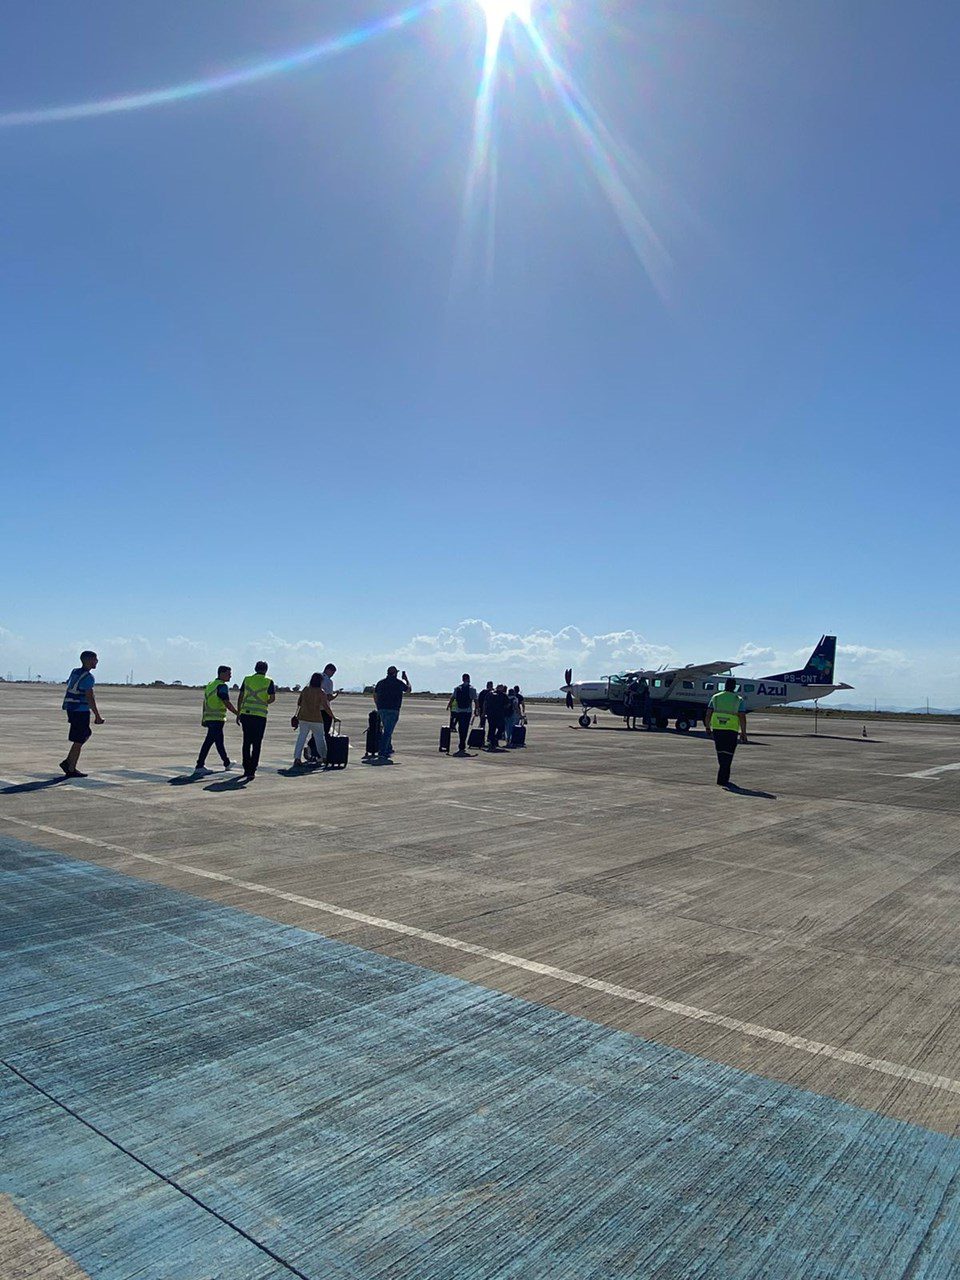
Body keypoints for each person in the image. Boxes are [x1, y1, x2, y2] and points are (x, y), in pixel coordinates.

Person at [60, 650, 104, 778]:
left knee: (84, 734)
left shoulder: (75, 672)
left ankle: (69, 762)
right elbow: (90, 697)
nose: (97, 662)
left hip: (71, 708)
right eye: (95, 659)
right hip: (80, 710)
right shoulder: (88, 677)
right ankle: (70, 766)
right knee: (80, 737)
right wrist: (97, 715)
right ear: (89, 661)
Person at [704, 677, 748, 787]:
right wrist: (743, 732)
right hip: (731, 730)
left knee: (720, 753)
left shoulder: (716, 697)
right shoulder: (738, 700)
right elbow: (742, 717)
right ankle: (723, 778)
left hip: (718, 729)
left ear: (725, 685)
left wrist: (707, 727)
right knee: (728, 754)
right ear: (734, 687)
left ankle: (721, 778)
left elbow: (708, 714)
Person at [237, 661, 276, 780]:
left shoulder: (247, 679)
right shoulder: (269, 681)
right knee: (257, 743)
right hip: (260, 716)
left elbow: (241, 696)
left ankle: (246, 767)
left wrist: (239, 712)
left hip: (246, 714)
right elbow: (272, 698)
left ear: (255, 668)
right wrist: (264, 702)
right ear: (266, 670)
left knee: (246, 742)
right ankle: (252, 769)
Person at [195, 666, 239, 772]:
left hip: (210, 718)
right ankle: (200, 766)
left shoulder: (211, 685)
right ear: (221, 674)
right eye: (228, 674)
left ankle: (226, 763)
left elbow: (205, 702)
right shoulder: (221, 686)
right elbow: (226, 702)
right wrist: (237, 713)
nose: (230, 676)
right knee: (212, 742)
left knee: (216, 742)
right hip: (217, 719)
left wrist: (204, 718)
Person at [293, 673, 333, 768]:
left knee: (301, 738)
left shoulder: (305, 690)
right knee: (320, 738)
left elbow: (299, 702)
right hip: (316, 718)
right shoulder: (321, 692)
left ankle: (297, 758)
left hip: (303, 717)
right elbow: (326, 706)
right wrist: (333, 716)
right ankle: (324, 757)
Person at [373, 666, 411, 762]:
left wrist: (378, 705)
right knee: (388, 731)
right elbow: (408, 689)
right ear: (395, 673)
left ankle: (388, 748)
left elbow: (375, 694)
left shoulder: (381, 683)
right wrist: (406, 680)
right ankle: (382, 752)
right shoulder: (398, 683)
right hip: (393, 709)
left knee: (387, 729)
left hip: (382, 709)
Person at [304, 661, 338, 762]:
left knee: (315, 731)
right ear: (329, 670)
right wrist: (336, 695)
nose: (332, 675)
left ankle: (313, 752)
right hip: (324, 710)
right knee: (323, 733)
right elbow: (328, 697)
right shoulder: (328, 681)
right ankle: (318, 752)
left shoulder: (316, 679)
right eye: (332, 672)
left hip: (313, 710)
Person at [447, 673, 477, 755]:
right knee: (465, 727)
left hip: (459, 711)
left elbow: (452, 698)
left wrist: (449, 706)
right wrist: (477, 709)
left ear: (462, 679)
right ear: (469, 679)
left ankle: (461, 742)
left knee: (460, 727)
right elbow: (475, 700)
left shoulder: (457, 688)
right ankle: (462, 743)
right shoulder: (472, 689)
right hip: (467, 711)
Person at [485, 684, 510, 751]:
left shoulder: (490, 694)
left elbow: (485, 703)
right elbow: (507, 704)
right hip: (499, 715)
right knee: (501, 728)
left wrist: (485, 712)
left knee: (492, 728)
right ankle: (494, 739)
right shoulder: (503, 695)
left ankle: (492, 741)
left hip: (491, 715)